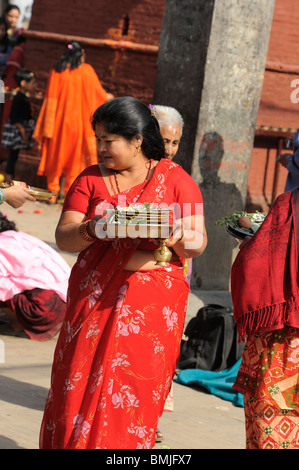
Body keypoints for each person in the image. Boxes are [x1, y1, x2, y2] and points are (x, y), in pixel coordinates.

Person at [39, 96, 207, 449]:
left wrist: (176, 234)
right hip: (94, 302)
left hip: (151, 310)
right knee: (76, 388)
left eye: (108, 140)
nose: (101, 148)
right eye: (98, 140)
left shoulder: (177, 180)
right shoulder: (89, 180)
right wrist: (95, 228)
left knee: (133, 393)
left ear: (137, 140)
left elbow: (198, 240)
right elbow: (64, 236)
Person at [231, 190, 299, 449]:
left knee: (270, 425)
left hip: (281, 339)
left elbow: (255, 266)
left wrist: (249, 245)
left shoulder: (290, 202)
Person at [33, 41, 113, 201]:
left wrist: (46, 126)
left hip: (57, 123)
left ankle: (52, 193)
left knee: (56, 157)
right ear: (81, 54)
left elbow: (49, 98)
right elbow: (98, 95)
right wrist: (109, 98)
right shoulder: (87, 71)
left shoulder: (56, 70)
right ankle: (69, 194)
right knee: (75, 160)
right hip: (79, 124)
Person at [0, 211, 70, 340]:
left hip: (42, 311)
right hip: (65, 305)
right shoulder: (20, 237)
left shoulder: (2, 244)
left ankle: (18, 325)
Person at [1, 68, 36, 181]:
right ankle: (8, 178)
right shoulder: (18, 97)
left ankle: (9, 177)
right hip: (16, 130)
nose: (33, 85)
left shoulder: (24, 97)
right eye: (32, 83)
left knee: (14, 155)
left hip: (21, 129)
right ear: (23, 83)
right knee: (12, 155)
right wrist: (23, 131)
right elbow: (14, 117)